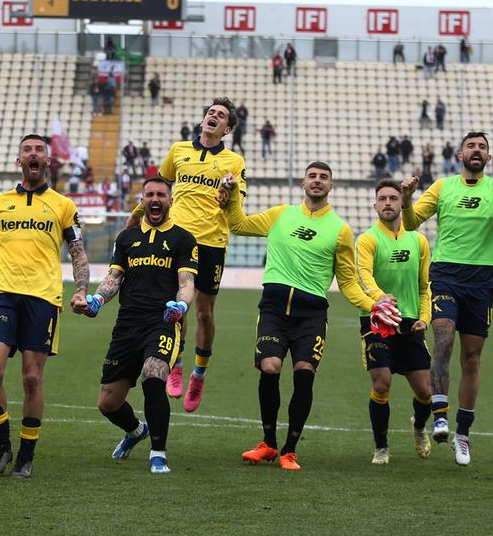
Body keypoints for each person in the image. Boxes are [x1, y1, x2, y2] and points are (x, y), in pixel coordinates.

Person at [223, 162, 387, 470]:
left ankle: (289, 450)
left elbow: (349, 282)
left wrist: (373, 303)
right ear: (303, 182)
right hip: (273, 307)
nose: (317, 181)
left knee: (303, 373)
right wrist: (232, 198)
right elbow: (239, 225)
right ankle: (268, 444)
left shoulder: (340, 229)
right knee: (270, 367)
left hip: (310, 314)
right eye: (313, 176)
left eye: (324, 177)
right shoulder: (281, 214)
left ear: (331, 186)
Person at [0, 134, 88, 478]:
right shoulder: (0, 204)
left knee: (32, 378)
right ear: (19, 161)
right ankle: (2, 446)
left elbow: (77, 252)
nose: (33, 155)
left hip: (43, 297)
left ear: (48, 161)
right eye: (27, 150)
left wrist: (81, 290)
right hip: (1, 293)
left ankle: (26, 455)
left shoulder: (63, 205)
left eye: (39, 150)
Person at [399, 132, 493, 466]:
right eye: (471, 146)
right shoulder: (443, 187)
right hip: (446, 275)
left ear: (488, 158)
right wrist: (407, 198)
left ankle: (463, 434)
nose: (477, 150)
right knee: (442, 339)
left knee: (472, 358)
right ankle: (439, 414)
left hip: (482, 280)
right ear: (459, 155)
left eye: (482, 148)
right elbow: (412, 222)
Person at [76, 176, 197, 475]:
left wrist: (180, 307)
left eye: (161, 195)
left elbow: (187, 282)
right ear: (141, 201)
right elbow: (114, 278)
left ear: (170, 201)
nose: (155, 200)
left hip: (163, 321)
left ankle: (158, 453)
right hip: (127, 324)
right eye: (149, 195)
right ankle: (135, 431)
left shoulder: (184, 239)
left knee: (153, 374)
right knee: (107, 402)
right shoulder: (127, 238)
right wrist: (97, 300)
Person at [132, 98, 246, 413]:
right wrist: (141, 213)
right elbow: (159, 185)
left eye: (221, 115)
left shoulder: (234, 161)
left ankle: (198, 374)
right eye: (210, 112)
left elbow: (234, 202)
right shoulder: (178, 150)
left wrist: (229, 192)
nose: (213, 116)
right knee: (173, 305)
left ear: (228, 128)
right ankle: (177, 364)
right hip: (177, 239)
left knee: (205, 314)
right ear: (203, 119)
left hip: (212, 241)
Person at [356, 179, 435, 464]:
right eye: (382, 199)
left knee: (426, 392)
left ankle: (418, 426)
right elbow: (363, 277)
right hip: (377, 320)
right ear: (375, 205)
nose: (387, 202)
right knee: (382, 384)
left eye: (393, 198)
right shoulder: (367, 240)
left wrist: (425, 318)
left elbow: (425, 286)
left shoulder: (419, 240)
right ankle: (381, 447)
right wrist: (380, 299)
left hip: (410, 322)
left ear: (402, 203)